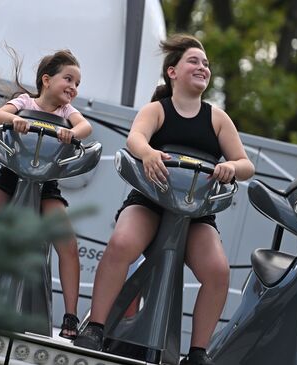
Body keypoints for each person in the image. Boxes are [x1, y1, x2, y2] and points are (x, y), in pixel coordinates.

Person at [74, 34, 255, 365]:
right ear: (172, 72)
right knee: (122, 243)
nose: (202, 67)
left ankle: (198, 353)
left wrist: (230, 166)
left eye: (206, 64)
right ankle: (96, 328)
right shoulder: (157, 110)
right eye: (194, 61)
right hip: (150, 201)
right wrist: (149, 154)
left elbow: (246, 165)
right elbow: (135, 139)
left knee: (218, 272)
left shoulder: (217, 118)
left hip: (196, 213)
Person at [0, 49, 92, 340]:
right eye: (68, 79)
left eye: (77, 84)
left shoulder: (66, 113)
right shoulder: (25, 102)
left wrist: (72, 133)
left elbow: (86, 127)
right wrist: (14, 120)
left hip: (46, 186)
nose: (73, 87)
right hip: (11, 179)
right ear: (46, 80)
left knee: (68, 245)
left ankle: (70, 316)